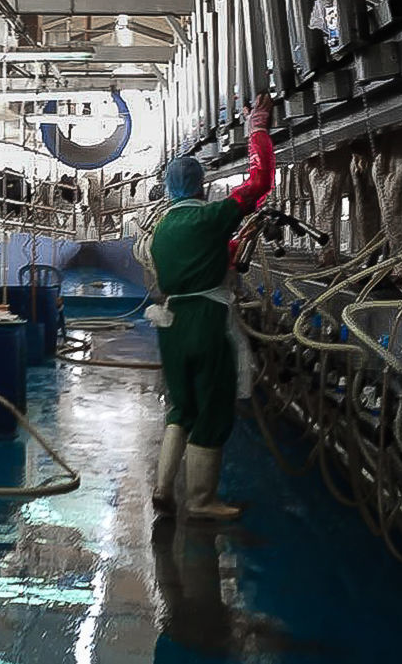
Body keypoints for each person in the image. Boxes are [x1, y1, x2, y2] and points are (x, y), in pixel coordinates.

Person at [150, 94, 275, 520]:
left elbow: (192, 263)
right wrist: (256, 129)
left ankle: (163, 489)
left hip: (171, 324)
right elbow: (259, 184)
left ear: (169, 189)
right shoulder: (209, 218)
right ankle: (201, 499)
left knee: (181, 406)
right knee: (213, 406)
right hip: (206, 321)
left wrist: (229, 247)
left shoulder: (162, 228)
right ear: (201, 186)